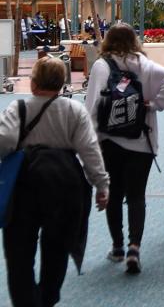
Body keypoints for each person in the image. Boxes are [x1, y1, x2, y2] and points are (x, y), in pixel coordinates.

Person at [0, 57, 109, 307]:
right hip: (64, 184)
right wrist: (102, 186)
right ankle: (48, 299)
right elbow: (90, 151)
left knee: (19, 253)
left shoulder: (18, 109)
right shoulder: (74, 110)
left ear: (34, 82)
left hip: (24, 186)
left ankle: (26, 301)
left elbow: (3, 142)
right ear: (62, 84)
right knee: (57, 248)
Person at [83, 24, 164, 274]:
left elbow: (92, 106)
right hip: (141, 140)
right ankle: (134, 246)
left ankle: (117, 247)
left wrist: (89, 142)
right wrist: (155, 104)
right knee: (137, 195)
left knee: (113, 194)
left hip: (110, 141)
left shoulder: (102, 65)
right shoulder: (144, 64)